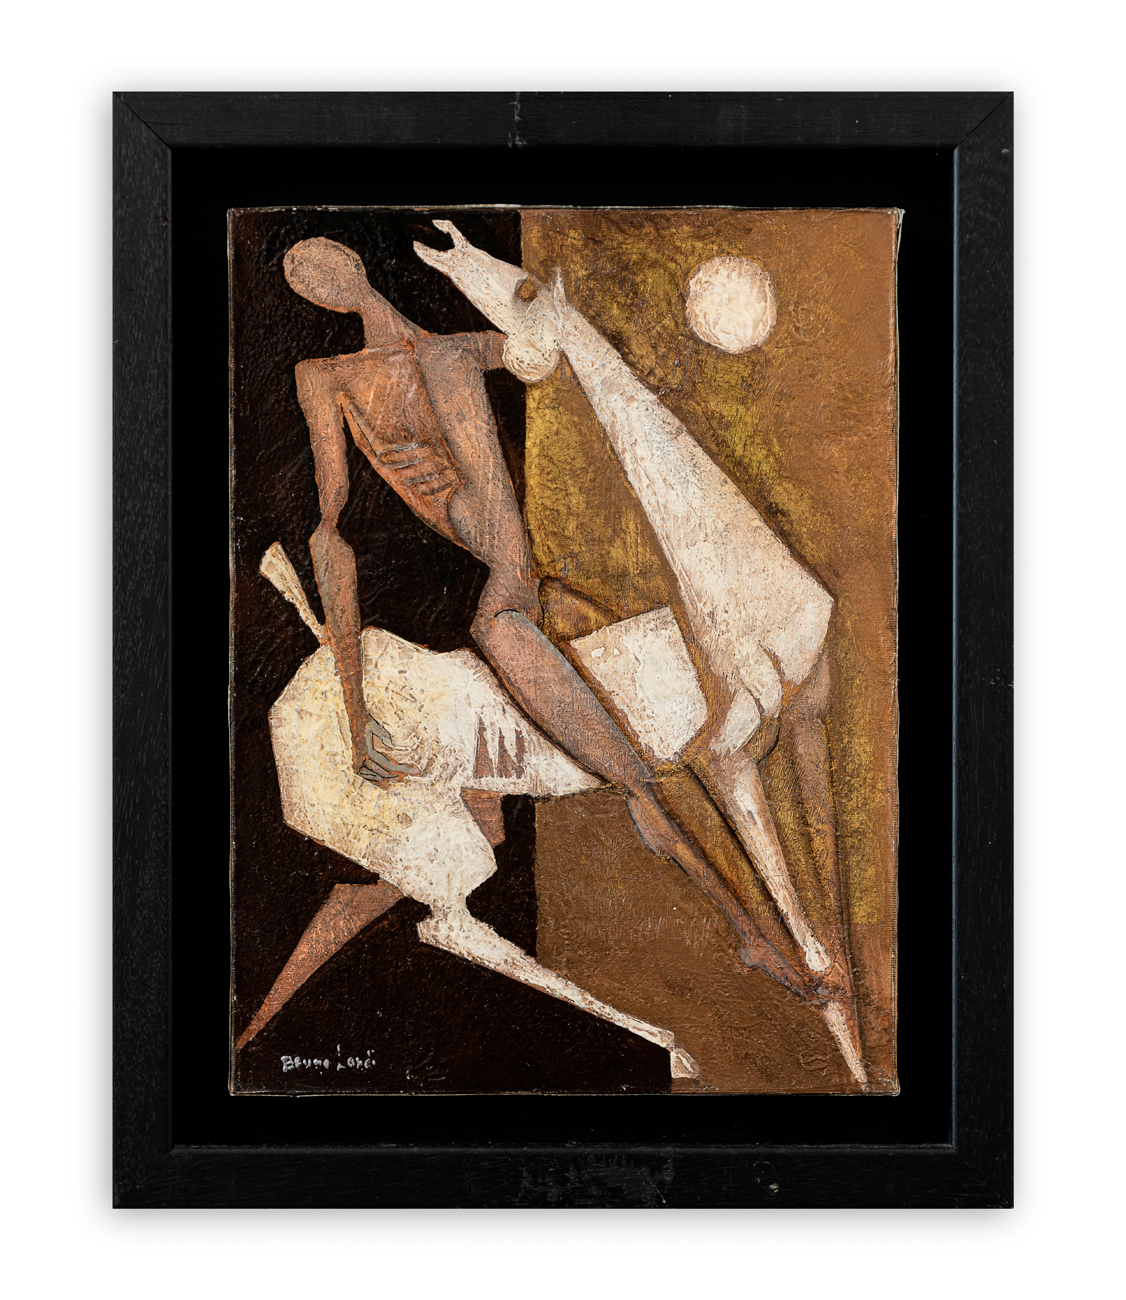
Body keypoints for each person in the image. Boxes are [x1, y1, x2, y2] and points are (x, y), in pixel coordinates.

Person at [281, 236, 810, 1001]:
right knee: (641, 780)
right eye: (301, 273)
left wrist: (497, 285)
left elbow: (543, 343)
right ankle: (754, 935)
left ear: (351, 261)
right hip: (513, 592)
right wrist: (355, 704)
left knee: (659, 753)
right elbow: (329, 534)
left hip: (520, 590)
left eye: (319, 259)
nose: (313, 273)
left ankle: (757, 928)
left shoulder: (452, 352)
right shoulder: (329, 375)